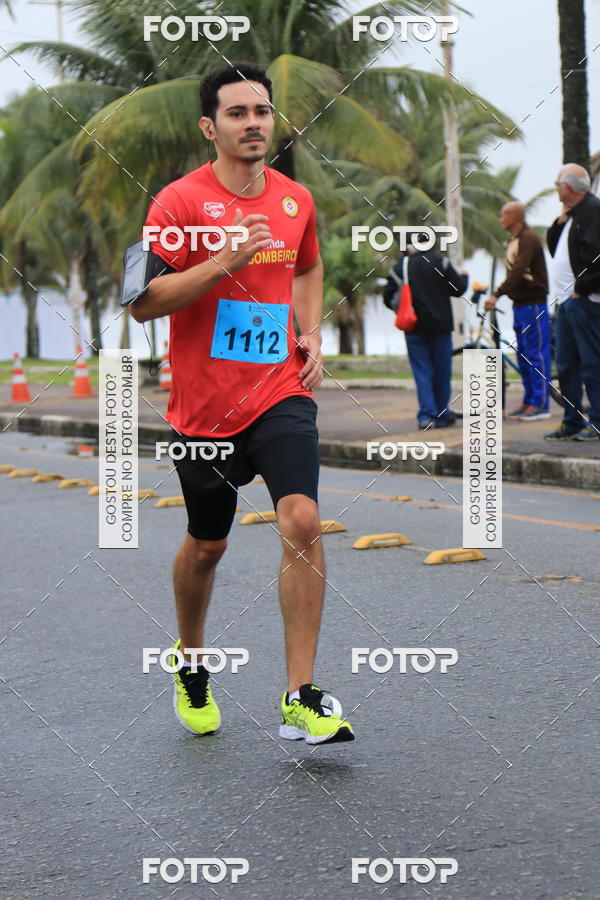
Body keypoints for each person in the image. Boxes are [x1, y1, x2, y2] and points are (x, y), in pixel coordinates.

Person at [130, 62, 354, 744]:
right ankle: (191, 660)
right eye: (237, 113)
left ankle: (300, 695)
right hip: (203, 411)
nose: (253, 123)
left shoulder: (295, 200)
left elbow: (308, 266)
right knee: (208, 544)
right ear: (210, 127)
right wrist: (222, 263)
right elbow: (142, 303)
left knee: (303, 520)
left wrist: (310, 329)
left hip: (279, 390)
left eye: (262, 111)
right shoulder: (177, 205)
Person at [383, 238, 468, 430]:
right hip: (441, 326)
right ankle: (442, 414)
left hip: (414, 327)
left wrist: (402, 308)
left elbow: (388, 296)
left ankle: (427, 416)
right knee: (442, 372)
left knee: (423, 372)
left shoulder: (402, 266)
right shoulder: (441, 262)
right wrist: (464, 277)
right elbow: (457, 289)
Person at [544, 164, 600, 442]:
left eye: (557, 183)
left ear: (568, 186)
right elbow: (556, 248)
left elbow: (596, 254)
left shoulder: (593, 209)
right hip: (566, 303)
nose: (555, 188)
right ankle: (572, 420)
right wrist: (559, 223)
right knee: (566, 364)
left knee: (591, 362)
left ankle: (598, 422)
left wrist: (581, 288)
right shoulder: (574, 214)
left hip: (584, 301)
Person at [485, 202, 551, 420]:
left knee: (535, 354)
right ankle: (529, 400)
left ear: (514, 217)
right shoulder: (514, 240)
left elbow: (518, 271)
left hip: (533, 304)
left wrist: (497, 294)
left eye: (503, 215)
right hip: (520, 304)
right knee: (523, 355)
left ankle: (540, 404)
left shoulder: (528, 238)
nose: (500, 219)